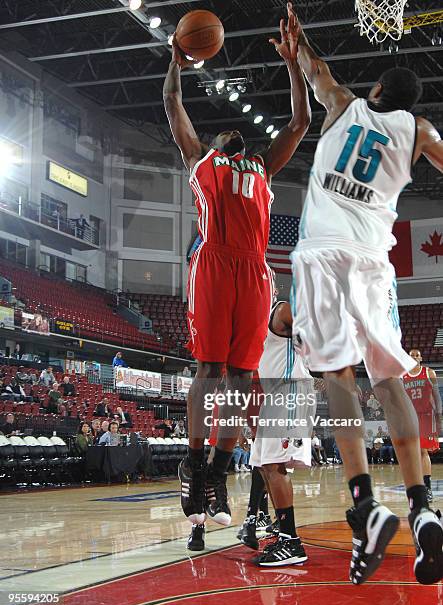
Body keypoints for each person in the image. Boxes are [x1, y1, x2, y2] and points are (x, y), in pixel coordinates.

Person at [291, 2, 443, 585]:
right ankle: (422, 506)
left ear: (377, 88)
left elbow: (318, 70)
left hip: (321, 255)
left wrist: (296, 42)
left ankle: (365, 506)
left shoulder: (344, 104)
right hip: (373, 261)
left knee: (338, 378)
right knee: (389, 381)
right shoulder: (419, 130)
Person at [163, 4, 310, 530]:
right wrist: (176, 60)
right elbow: (173, 102)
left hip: (254, 271)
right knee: (211, 370)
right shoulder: (201, 158)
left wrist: (295, 63)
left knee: (245, 377)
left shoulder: (263, 165)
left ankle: (219, 471)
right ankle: (195, 462)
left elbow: (300, 121)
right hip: (214, 263)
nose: (231, 133)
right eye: (224, 133)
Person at [246, 299, 314, 565]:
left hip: (290, 390)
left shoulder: (281, 309)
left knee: (275, 465)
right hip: (272, 395)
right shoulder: (256, 325)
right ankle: (284, 535)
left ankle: (291, 541)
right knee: (264, 466)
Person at [403, 348, 442, 503]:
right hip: (410, 417)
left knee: (423, 451)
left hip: (426, 416)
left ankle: (427, 488)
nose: (413, 357)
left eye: (416, 355)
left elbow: (436, 395)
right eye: (411, 356)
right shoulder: (403, 375)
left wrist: (439, 414)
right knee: (414, 453)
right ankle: (418, 486)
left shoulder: (428, 373)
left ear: (420, 358)